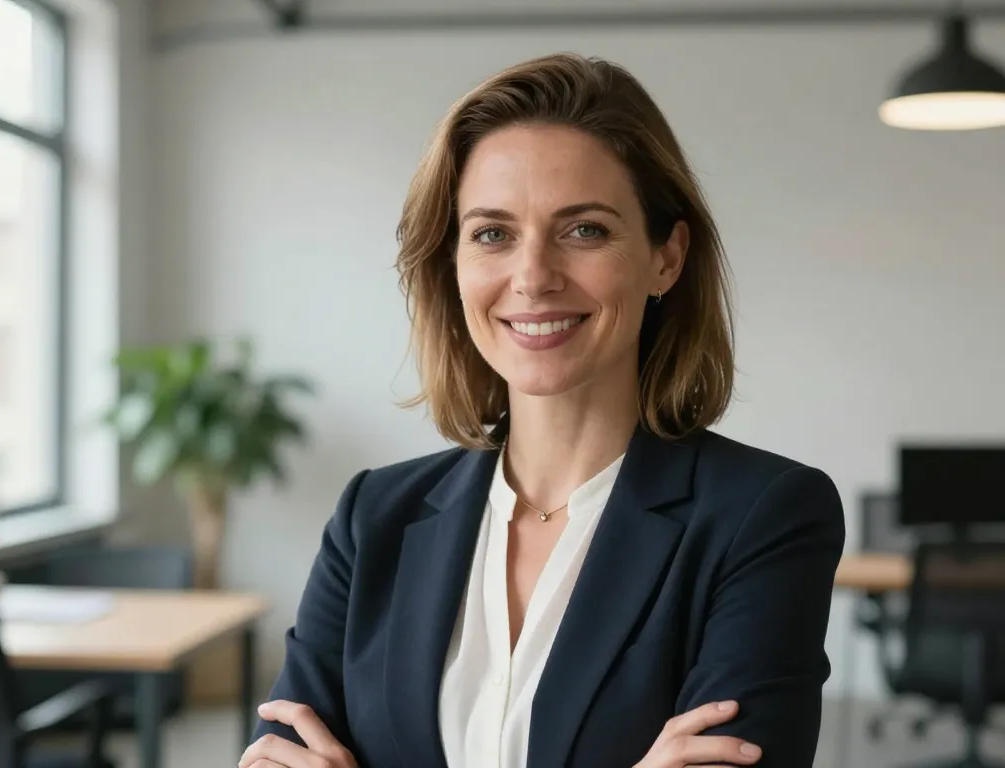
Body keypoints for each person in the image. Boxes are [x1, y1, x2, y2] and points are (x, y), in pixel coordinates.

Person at [239, 52, 845, 768]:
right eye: (492, 233)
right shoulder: (374, 517)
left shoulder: (764, 516)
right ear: (453, 262)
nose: (532, 277)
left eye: (584, 229)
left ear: (666, 258)